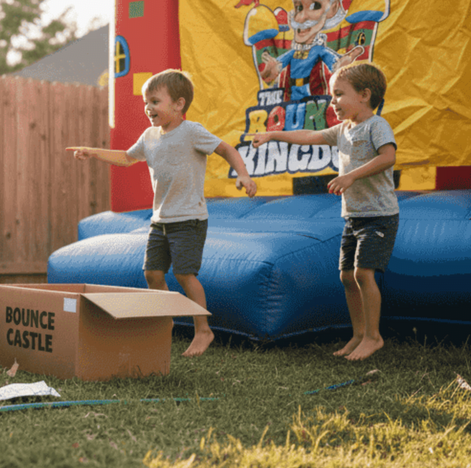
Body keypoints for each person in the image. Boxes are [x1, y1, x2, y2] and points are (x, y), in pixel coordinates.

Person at [70, 70, 257, 358]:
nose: (148, 108)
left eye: (155, 101)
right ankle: (165, 321)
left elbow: (226, 149)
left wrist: (243, 175)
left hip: (189, 219)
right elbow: (127, 158)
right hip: (160, 220)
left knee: (184, 275)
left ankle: (203, 330)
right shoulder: (149, 136)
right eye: (146, 102)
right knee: (153, 273)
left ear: (178, 104)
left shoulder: (192, 131)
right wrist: (93, 152)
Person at [249, 61, 397, 361]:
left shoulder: (376, 126)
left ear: (364, 95)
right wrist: (272, 135)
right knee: (346, 276)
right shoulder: (343, 129)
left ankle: (373, 336)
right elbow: (309, 136)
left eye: (339, 95)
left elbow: (388, 157)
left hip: (378, 214)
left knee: (363, 273)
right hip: (353, 216)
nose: (333, 102)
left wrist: (352, 175)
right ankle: (357, 334)